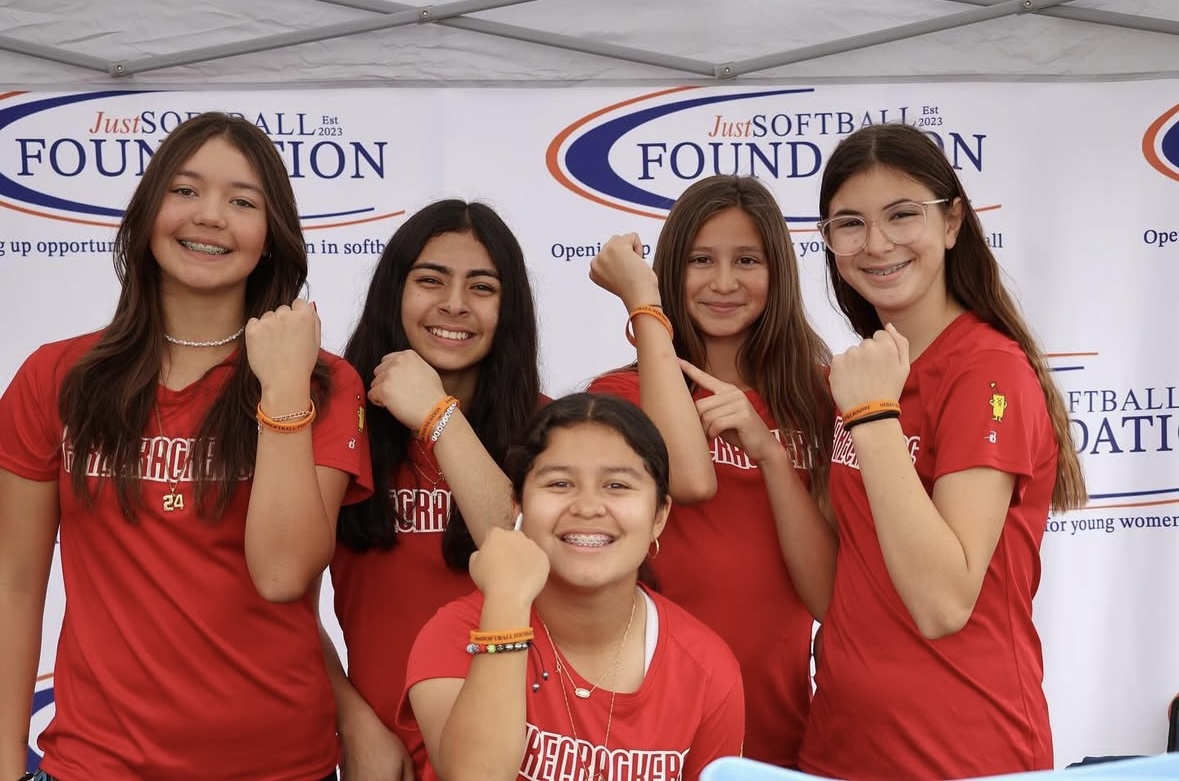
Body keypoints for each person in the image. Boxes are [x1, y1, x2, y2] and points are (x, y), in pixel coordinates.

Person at [0, 112, 373, 781]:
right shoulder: (56, 377)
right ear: (148, 212)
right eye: (185, 190)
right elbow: (16, 583)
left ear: (272, 236)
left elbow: (283, 573)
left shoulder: (323, 383)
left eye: (242, 202)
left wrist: (282, 388)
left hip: (280, 765)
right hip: (96, 765)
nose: (209, 216)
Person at [797, 122, 1087, 781]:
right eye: (849, 224)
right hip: (840, 745)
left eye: (902, 214)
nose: (876, 243)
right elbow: (838, 582)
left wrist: (872, 417)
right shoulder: (865, 375)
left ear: (952, 221)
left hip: (962, 754)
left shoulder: (987, 372)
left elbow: (941, 603)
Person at [586, 175, 835, 767]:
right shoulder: (620, 395)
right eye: (701, 260)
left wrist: (769, 452)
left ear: (778, 272)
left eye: (747, 260)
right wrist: (643, 303)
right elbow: (689, 481)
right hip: (651, 725)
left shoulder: (820, 397)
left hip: (780, 724)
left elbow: (829, 593)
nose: (723, 283)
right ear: (672, 270)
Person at [401, 392, 745, 781]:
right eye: (560, 483)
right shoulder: (455, 633)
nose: (587, 507)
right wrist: (507, 602)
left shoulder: (707, 669)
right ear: (518, 505)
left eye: (617, 485)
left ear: (659, 516)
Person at [325, 200, 541, 779]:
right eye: (430, 280)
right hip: (384, 759)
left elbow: (519, 546)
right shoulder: (339, 421)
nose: (454, 304)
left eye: (482, 287)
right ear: (394, 292)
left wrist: (437, 415)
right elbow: (278, 595)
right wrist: (351, 720)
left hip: (519, 754)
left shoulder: (551, 431)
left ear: (509, 310)